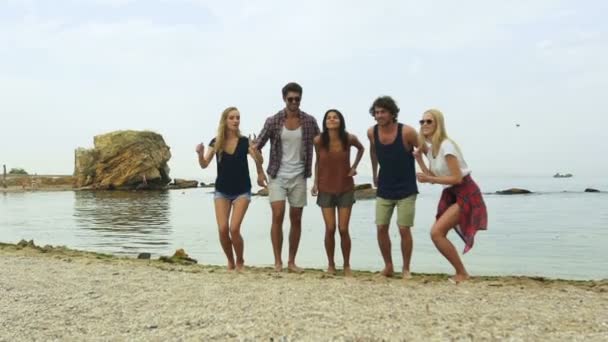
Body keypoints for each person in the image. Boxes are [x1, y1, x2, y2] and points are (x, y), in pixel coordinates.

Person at [414, 108, 488, 283]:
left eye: (429, 121)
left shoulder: (447, 146)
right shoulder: (433, 149)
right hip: (453, 193)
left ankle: (462, 273)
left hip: (466, 191)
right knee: (438, 233)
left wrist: (430, 177)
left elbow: (456, 178)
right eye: (422, 121)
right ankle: (461, 272)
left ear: (438, 124)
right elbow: (432, 176)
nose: (424, 124)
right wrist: (419, 159)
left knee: (437, 232)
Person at [254, 82, 320, 272]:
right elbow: (257, 146)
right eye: (290, 99)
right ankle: (277, 262)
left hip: (300, 175)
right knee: (277, 215)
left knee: (296, 219)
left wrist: (318, 179)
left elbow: (321, 148)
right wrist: (259, 171)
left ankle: (291, 261)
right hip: (277, 175)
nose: (294, 102)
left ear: (301, 99)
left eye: (297, 99)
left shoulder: (309, 121)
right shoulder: (273, 121)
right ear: (284, 99)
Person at [196, 106, 264, 272]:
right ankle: (230, 261)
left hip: (242, 190)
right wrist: (200, 153)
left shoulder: (245, 141)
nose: (235, 121)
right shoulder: (216, 142)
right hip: (222, 191)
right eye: (232, 118)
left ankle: (240, 260)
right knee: (222, 229)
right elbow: (204, 165)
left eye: (238, 118)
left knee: (234, 228)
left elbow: (259, 160)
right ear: (225, 120)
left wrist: (257, 154)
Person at [367, 96, 419, 279]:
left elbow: (424, 151)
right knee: (381, 227)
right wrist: (374, 173)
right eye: (377, 112)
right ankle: (388, 266)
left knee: (404, 229)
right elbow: (373, 151)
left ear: (392, 113)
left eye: (383, 112)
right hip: (384, 187)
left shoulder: (407, 132)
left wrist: (429, 174)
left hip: (406, 187)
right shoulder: (372, 132)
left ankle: (406, 269)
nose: (379, 115)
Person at [311, 109, 364, 276]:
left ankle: (347, 265)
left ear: (340, 121)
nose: (332, 119)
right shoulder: (319, 140)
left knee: (343, 229)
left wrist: (354, 167)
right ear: (325, 122)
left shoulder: (349, 138)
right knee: (330, 228)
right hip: (325, 188)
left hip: (345, 188)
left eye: (335, 117)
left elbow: (361, 149)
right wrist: (315, 183)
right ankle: (331, 265)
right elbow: (318, 162)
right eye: (328, 117)